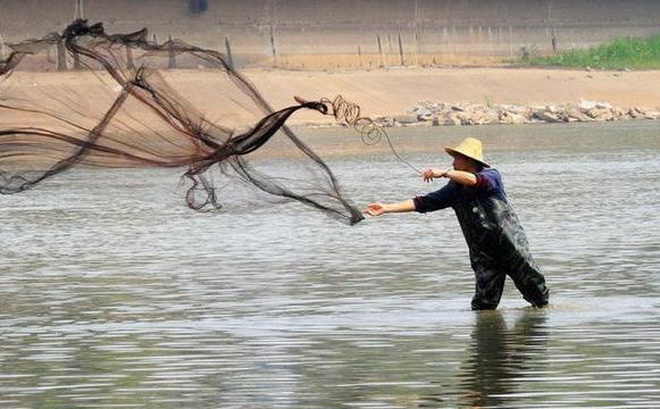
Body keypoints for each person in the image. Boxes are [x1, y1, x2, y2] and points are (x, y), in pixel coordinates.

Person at [364, 137, 549, 310]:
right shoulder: (454, 189)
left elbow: (474, 180)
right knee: (483, 304)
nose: (452, 162)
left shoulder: (491, 177)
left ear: (470, 161)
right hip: (483, 254)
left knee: (536, 292)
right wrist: (386, 208)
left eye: (457, 158)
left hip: (510, 246)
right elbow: (422, 203)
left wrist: (445, 173)